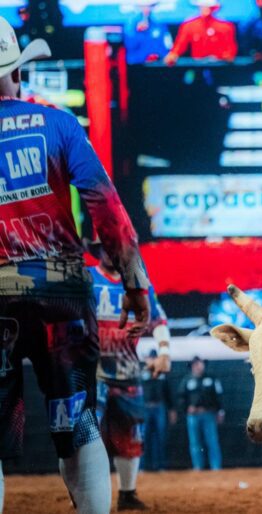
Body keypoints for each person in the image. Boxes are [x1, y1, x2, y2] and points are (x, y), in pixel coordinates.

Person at [0, 16, 150, 514]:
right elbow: (106, 207)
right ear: (18, 70)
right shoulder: (58, 123)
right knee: (79, 425)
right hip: (61, 295)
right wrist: (135, 284)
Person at [88, 240, 170, 510]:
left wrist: (164, 352)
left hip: (128, 372)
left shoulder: (138, 284)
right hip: (92, 373)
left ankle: (127, 493)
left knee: (131, 434)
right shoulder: (87, 279)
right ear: (98, 250)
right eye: (106, 246)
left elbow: (158, 319)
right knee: (87, 434)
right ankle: (86, 494)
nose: (111, 252)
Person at [178, 357, 224, 471]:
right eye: (195, 364)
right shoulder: (187, 380)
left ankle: (216, 466)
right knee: (195, 442)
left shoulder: (212, 378)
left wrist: (220, 411)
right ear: (191, 367)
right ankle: (198, 466)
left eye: (199, 364)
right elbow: (181, 397)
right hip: (193, 416)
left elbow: (219, 396)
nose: (198, 366)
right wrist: (187, 408)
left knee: (212, 441)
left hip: (209, 414)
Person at [163, 0, 238, 66]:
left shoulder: (225, 26)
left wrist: (226, 56)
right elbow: (179, 46)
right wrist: (173, 55)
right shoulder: (189, 25)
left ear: (214, 8)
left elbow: (230, 50)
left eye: (208, 6)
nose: (205, 9)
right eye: (203, 6)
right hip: (197, 65)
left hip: (219, 65)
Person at [141, 349, 176, 472]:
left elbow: (169, 393)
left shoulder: (163, 374)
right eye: (151, 358)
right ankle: (143, 466)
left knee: (160, 437)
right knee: (143, 437)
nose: (153, 360)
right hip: (145, 408)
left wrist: (172, 410)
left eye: (155, 358)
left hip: (159, 407)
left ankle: (160, 466)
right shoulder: (142, 374)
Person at [124, 0, 173, 65]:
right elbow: (130, 45)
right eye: (143, 6)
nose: (146, 9)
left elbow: (165, 45)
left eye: (149, 6)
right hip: (137, 63)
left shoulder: (158, 23)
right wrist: (138, 32)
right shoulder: (131, 24)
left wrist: (162, 57)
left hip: (156, 63)